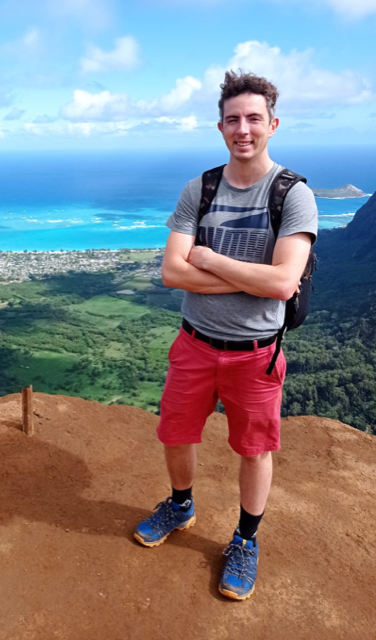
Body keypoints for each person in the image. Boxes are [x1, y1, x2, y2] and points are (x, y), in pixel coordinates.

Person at [134, 70, 318, 601]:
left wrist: (211, 260)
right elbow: (172, 272)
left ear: (273, 125)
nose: (243, 129)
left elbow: (282, 283)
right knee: (175, 433)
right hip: (194, 343)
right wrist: (252, 277)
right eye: (233, 119)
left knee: (254, 450)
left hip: (255, 355)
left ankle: (245, 539)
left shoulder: (293, 195)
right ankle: (180, 505)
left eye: (254, 119)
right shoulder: (201, 189)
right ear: (220, 127)